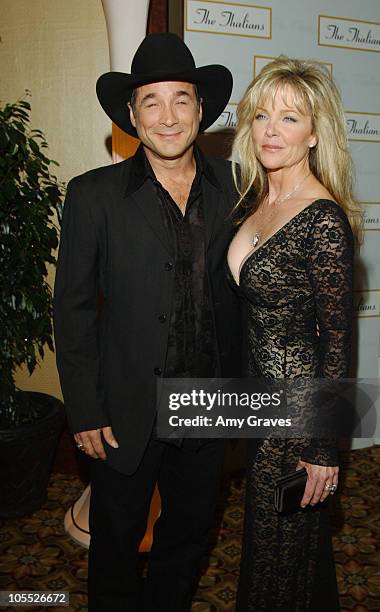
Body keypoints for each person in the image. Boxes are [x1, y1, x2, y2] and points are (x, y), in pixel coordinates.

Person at [54, 33, 242, 612]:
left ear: (201, 109)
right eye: (152, 101)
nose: (168, 116)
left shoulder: (239, 187)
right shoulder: (93, 197)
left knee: (186, 540)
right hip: (126, 406)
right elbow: (74, 308)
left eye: (181, 99)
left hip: (210, 401)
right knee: (114, 540)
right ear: (131, 114)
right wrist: (84, 407)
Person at [227, 57, 362, 611]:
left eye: (289, 118)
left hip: (296, 415)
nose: (271, 130)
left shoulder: (322, 218)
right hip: (262, 405)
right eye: (261, 116)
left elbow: (335, 339)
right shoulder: (258, 201)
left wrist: (322, 447)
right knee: (282, 550)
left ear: (314, 134)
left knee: (278, 550)